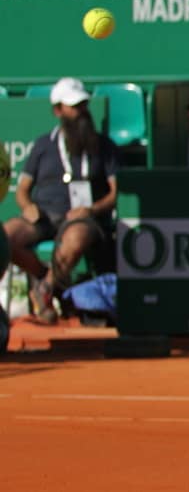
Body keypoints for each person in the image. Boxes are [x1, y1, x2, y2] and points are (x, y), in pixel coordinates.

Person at [3, 78, 118, 326]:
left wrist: (91, 209)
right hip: (44, 216)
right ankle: (45, 278)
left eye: (83, 105)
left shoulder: (104, 146)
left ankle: (44, 290)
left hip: (84, 218)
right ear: (58, 111)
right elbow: (22, 189)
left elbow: (116, 192)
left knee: (75, 238)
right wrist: (28, 207)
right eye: (74, 106)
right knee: (5, 236)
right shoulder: (43, 145)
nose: (81, 111)